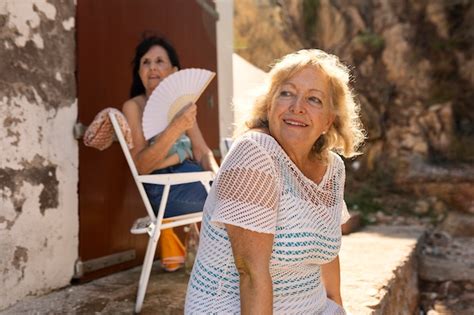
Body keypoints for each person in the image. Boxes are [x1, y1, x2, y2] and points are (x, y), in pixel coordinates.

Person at [185, 49, 365, 313]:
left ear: (328, 120)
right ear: (270, 106)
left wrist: (337, 306)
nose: (297, 107)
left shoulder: (333, 168)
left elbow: (326, 252)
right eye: (286, 93)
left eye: (314, 99)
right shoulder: (254, 154)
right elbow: (251, 273)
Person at [122, 35, 219, 271]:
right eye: (145, 62)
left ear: (174, 70)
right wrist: (176, 126)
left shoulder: (182, 104)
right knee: (231, 205)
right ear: (139, 72)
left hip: (193, 179)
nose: (152, 67)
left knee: (236, 193)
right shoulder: (133, 107)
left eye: (159, 61)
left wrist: (219, 176)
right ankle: (224, 273)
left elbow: (201, 150)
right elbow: (142, 166)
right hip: (162, 191)